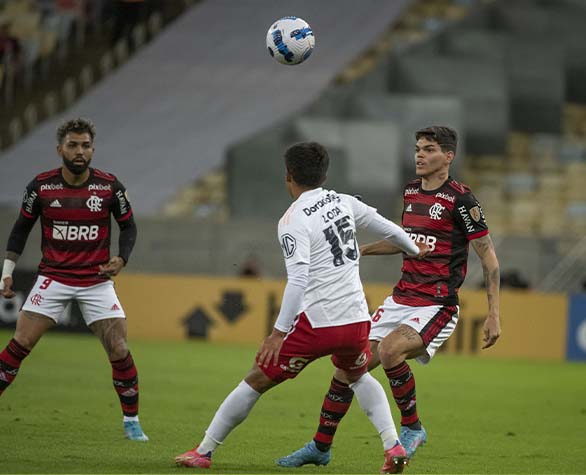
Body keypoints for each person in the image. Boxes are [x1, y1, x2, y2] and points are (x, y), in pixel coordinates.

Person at [174, 142, 429, 473]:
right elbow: (391, 229)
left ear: (288, 176)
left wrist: (278, 333)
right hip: (356, 321)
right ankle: (392, 445)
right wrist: (413, 249)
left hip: (318, 322)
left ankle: (204, 452)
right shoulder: (344, 201)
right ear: (323, 174)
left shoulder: (292, 220)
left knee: (255, 380)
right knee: (357, 376)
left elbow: (297, 281)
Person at [279, 126, 502, 466]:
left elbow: (489, 258)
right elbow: (403, 240)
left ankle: (412, 428)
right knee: (348, 368)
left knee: (390, 350)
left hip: (436, 304)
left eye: (428, 149)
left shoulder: (462, 199)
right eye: (417, 148)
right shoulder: (412, 191)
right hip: (401, 298)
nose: (420, 155)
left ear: (448, 157)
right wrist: (362, 249)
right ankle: (320, 447)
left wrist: (494, 314)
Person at [0, 118, 148, 442]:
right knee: (20, 344)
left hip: (96, 280)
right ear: (60, 149)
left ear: (92, 149)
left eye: (85, 145)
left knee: (119, 349)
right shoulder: (41, 186)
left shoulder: (109, 186)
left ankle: (131, 421)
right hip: (53, 278)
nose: (79, 151)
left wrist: (121, 258)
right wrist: (7, 273)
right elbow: (20, 229)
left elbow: (129, 227)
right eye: (72, 145)